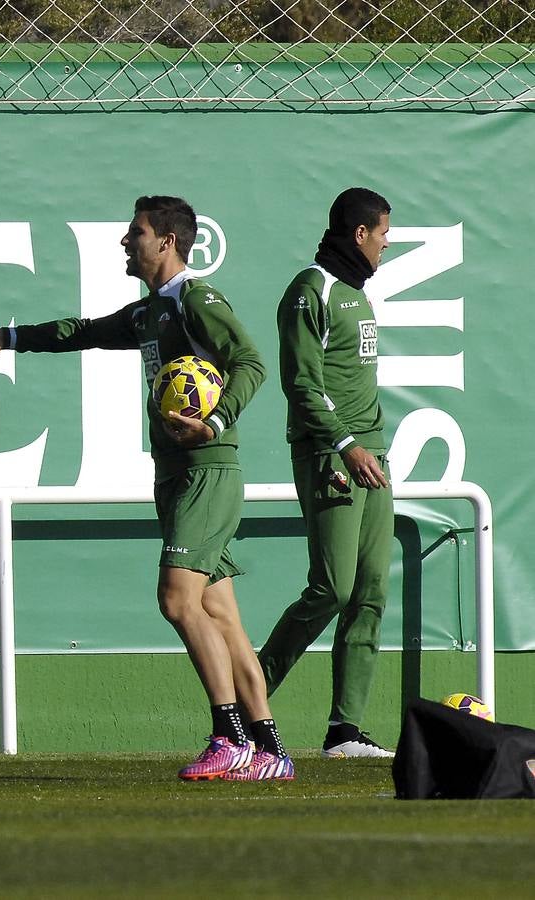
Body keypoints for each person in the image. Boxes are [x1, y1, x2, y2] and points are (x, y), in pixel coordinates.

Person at [0, 196, 294, 782]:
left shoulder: (195, 298)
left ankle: (228, 737)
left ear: (167, 241)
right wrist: (6, 338)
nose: (124, 242)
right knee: (219, 613)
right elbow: (82, 332)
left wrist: (213, 420)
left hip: (206, 469)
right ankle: (270, 751)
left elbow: (252, 364)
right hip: (180, 474)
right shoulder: (151, 310)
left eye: (134, 233)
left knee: (177, 600)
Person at [258, 188, 396, 759]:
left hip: (372, 457)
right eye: (383, 233)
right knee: (332, 588)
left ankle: (345, 731)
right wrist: (345, 446)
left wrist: (371, 448)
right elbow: (301, 383)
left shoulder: (359, 296)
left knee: (370, 593)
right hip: (331, 457)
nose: (386, 244)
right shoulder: (309, 289)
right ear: (359, 234)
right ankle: (243, 702)